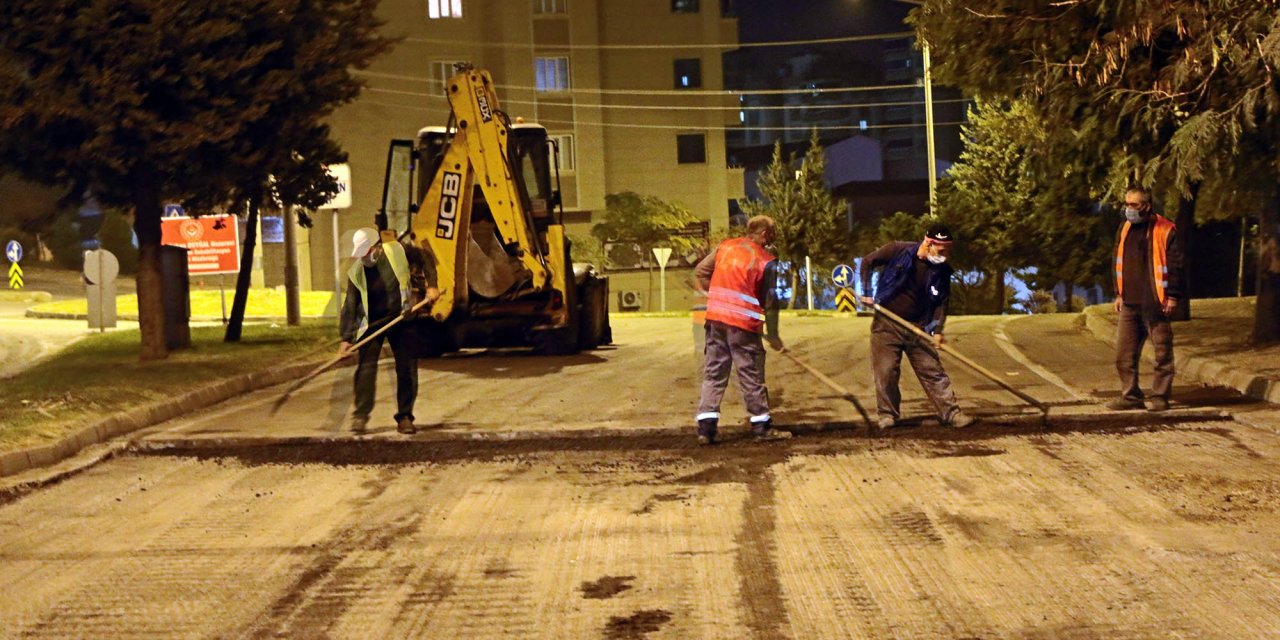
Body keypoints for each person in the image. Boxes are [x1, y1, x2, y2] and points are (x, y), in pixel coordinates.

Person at [859, 223, 974, 432]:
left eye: (948, 250)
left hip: (919, 326)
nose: (945, 255)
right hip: (886, 322)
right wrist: (866, 291)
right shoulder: (898, 251)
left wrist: (938, 331)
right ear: (928, 243)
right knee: (886, 372)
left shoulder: (942, 270)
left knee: (933, 372)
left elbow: (942, 302)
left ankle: (951, 414)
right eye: (942, 250)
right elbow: (868, 262)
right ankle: (887, 416)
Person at [692, 215, 790, 445]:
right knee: (750, 373)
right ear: (765, 234)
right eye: (773, 233)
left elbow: (700, 272)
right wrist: (773, 335)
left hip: (715, 319)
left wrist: (715, 294)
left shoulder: (725, 247)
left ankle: (706, 430)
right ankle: (761, 426)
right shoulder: (767, 260)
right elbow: (770, 300)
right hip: (743, 325)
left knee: (714, 373)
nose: (773, 238)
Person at [339, 228, 438, 434]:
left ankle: (404, 416)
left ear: (377, 247)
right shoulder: (356, 272)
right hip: (372, 323)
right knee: (365, 369)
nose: (364, 257)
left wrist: (432, 286)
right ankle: (360, 415)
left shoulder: (397, 251)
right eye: (361, 254)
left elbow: (426, 257)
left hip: (402, 318)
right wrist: (346, 338)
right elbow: (350, 305)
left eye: (367, 252)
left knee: (406, 368)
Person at [1107, 186, 1184, 412]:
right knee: (1124, 355)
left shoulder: (1165, 229)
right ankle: (1131, 395)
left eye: (1134, 205)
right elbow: (1117, 261)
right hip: (1129, 303)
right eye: (1127, 204)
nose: (1129, 209)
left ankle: (1160, 396)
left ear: (1147, 206)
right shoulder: (1125, 228)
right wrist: (1118, 293)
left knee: (1162, 353)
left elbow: (1176, 265)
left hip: (1155, 302)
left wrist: (1172, 296)